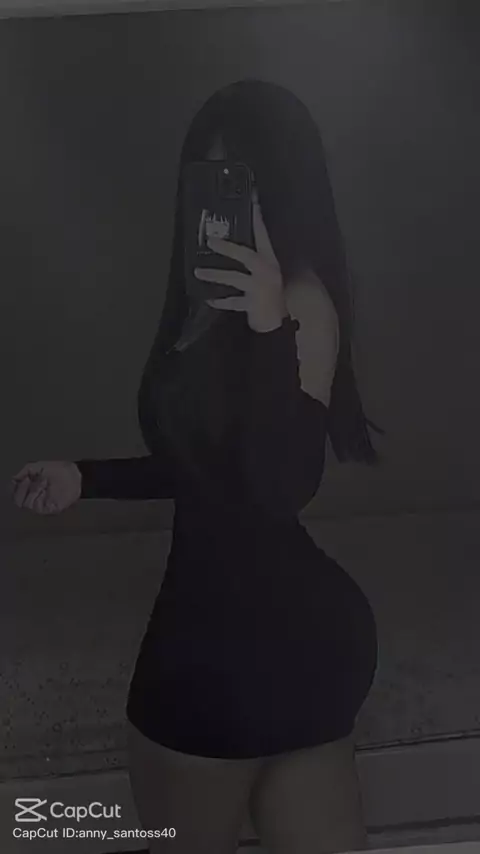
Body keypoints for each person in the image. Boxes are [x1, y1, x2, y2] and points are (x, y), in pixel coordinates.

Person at [11, 80, 379, 854]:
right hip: (232, 642)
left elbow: (280, 488)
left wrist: (270, 326)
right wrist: (88, 477)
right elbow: (209, 471)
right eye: (207, 177)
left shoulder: (299, 304)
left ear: (285, 190)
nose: (219, 203)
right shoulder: (204, 299)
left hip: (254, 652)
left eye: (243, 180)